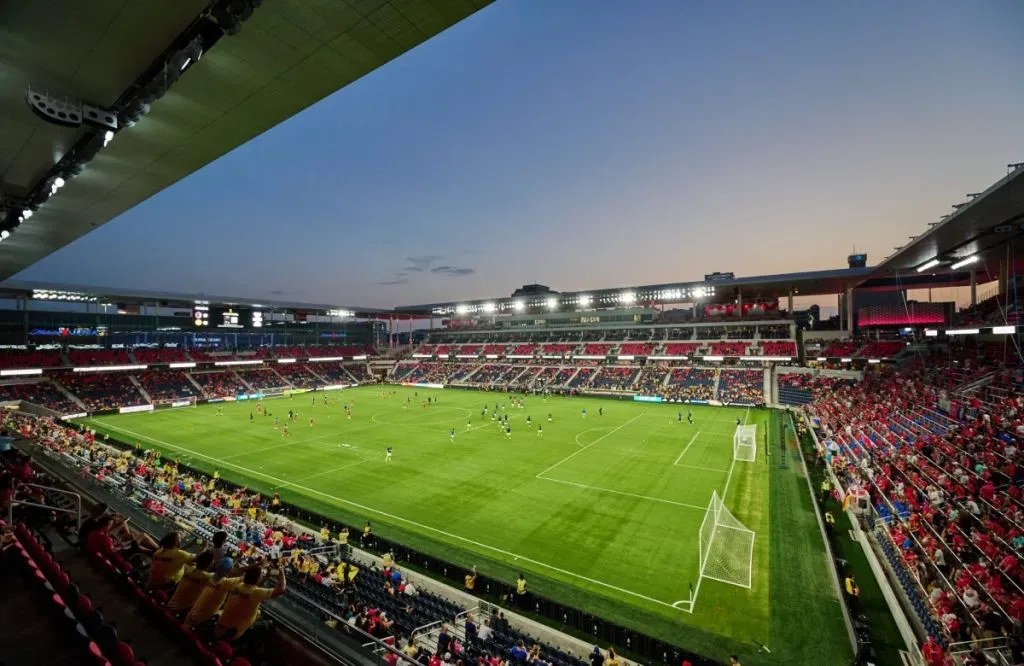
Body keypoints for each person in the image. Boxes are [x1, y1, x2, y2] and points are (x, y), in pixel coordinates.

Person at [216, 564, 287, 639]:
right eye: (261, 575)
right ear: (258, 579)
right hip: (234, 634)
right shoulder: (256, 593)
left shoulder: (238, 585)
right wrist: (282, 573)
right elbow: (281, 590)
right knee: (269, 624)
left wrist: (266, 577)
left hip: (220, 626)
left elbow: (253, 589)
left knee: (258, 613)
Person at [186, 557, 242, 627]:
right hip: (200, 624)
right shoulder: (226, 583)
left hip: (189, 617)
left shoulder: (209, 576)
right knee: (224, 613)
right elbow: (244, 578)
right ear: (229, 570)